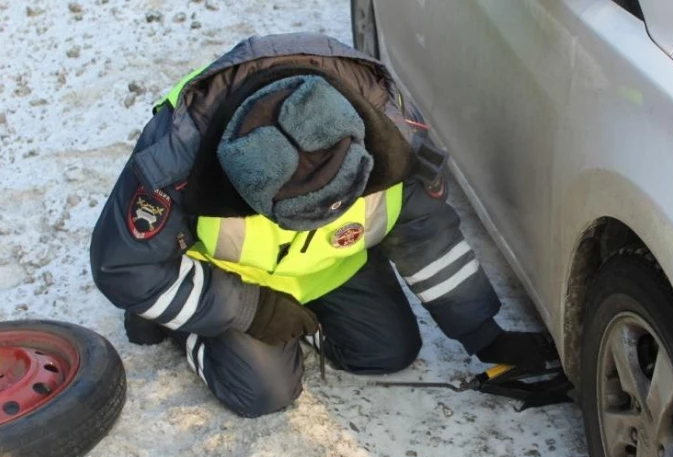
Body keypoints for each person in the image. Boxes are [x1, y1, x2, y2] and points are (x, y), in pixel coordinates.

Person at [89, 33, 556, 418]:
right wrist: (252, 310)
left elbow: (426, 235)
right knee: (264, 395)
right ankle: (184, 327)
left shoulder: (390, 133)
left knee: (390, 352)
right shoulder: (178, 156)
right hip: (230, 279)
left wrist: (483, 333)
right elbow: (122, 266)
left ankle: (304, 318)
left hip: (334, 262)